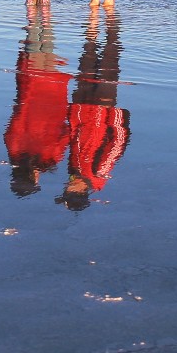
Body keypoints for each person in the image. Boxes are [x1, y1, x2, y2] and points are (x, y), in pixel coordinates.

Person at [60, 15, 130, 211]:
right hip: (102, 111)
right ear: (81, 191)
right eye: (69, 191)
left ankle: (91, 30)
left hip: (79, 110)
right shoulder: (99, 173)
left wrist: (70, 116)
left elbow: (74, 140)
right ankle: (112, 29)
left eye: (66, 190)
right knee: (109, 64)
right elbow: (117, 144)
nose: (67, 187)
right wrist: (116, 115)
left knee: (86, 62)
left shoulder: (73, 171)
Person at [4, 15, 70, 197]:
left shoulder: (50, 159)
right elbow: (15, 122)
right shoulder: (14, 149)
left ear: (34, 178)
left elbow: (66, 136)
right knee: (35, 46)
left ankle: (43, 15)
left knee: (47, 48)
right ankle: (37, 12)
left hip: (52, 101)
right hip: (32, 95)